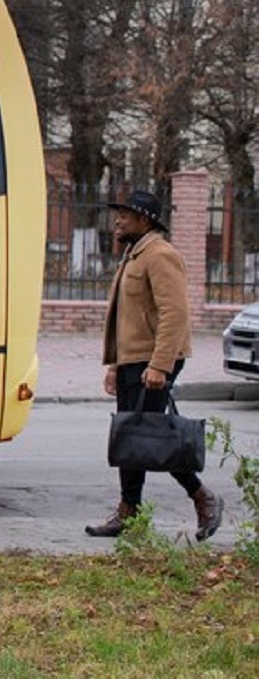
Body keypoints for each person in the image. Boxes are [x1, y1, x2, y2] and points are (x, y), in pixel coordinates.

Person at [86, 190, 223, 540]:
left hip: (155, 359)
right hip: (134, 360)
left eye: (124, 215)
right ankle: (130, 512)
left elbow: (175, 314)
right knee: (132, 435)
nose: (117, 220)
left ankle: (202, 497)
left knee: (149, 436)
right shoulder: (134, 255)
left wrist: (160, 366)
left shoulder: (160, 255)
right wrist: (115, 365)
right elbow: (127, 319)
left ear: (144, 220)